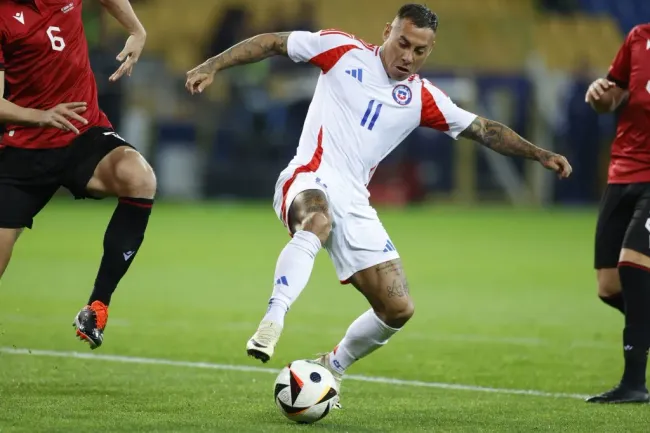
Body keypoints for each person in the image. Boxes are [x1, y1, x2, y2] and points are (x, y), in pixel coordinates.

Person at [186, 3, 571, 407]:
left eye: (420, 51)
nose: (408, 56)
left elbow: (485, 129)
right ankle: (273, 318)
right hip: (309, 175)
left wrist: (538, 153)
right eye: (403, 43)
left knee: (397, 307)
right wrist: (214, 64)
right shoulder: (341, 49)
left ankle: (331, 366)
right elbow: (272, 43)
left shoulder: (421, 97)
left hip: (355, 199)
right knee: (317, 220)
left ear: (429, 50)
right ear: (388, 31)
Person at [0, 0, 156, 350]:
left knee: (140, 177)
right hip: (24, 149)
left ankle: (97, 306)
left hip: (82, 133)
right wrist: (40, 116)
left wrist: (136, 29)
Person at [584, 23, 650, 404]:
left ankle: (634, 384)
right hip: (622, 172)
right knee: (609, 286)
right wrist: (598, 96)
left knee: (633, 265)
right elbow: (612, 97)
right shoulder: (639, 37)